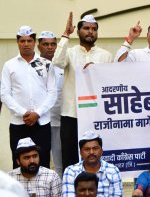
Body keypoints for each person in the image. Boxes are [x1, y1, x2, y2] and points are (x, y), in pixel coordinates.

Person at [52, 13, 113, 170]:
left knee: (95, 158)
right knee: (70, 157)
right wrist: (66, 35)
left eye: (93, 29)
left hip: (96, 114)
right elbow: (57, 62)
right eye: (86, 28)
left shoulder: (105, 56)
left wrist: (97, 71)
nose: (90, 32)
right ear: (78, 32)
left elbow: (110, 83)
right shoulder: (70, 53)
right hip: (71, 114)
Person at [1, 26, 57, 169]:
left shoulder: (46, 64)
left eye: (29, 40)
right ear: (18, 42)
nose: (26, 44)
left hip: (42, 122)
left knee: (43, 161)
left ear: (34, 43)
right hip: (19, 123)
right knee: (19, 162)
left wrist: (37, 113)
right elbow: (4, 94)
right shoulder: (9, 65)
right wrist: (23, 113)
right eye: (23, 41)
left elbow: (52, 93)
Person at [62, 131, 122, 197]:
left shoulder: (112, 170)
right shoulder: (71, 171)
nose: (91, 152)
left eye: (95, 148)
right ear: (81, 153)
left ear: (101, 151)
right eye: (87, 149)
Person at [37, 31, 64, 177]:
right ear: (39, 46)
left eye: (53, 44)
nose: (50, 47)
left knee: (60, 162)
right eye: (45, 44)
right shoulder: (32, 65)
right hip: (41, 121)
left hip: (60, 121)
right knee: (42, 161)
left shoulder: (63, 64)